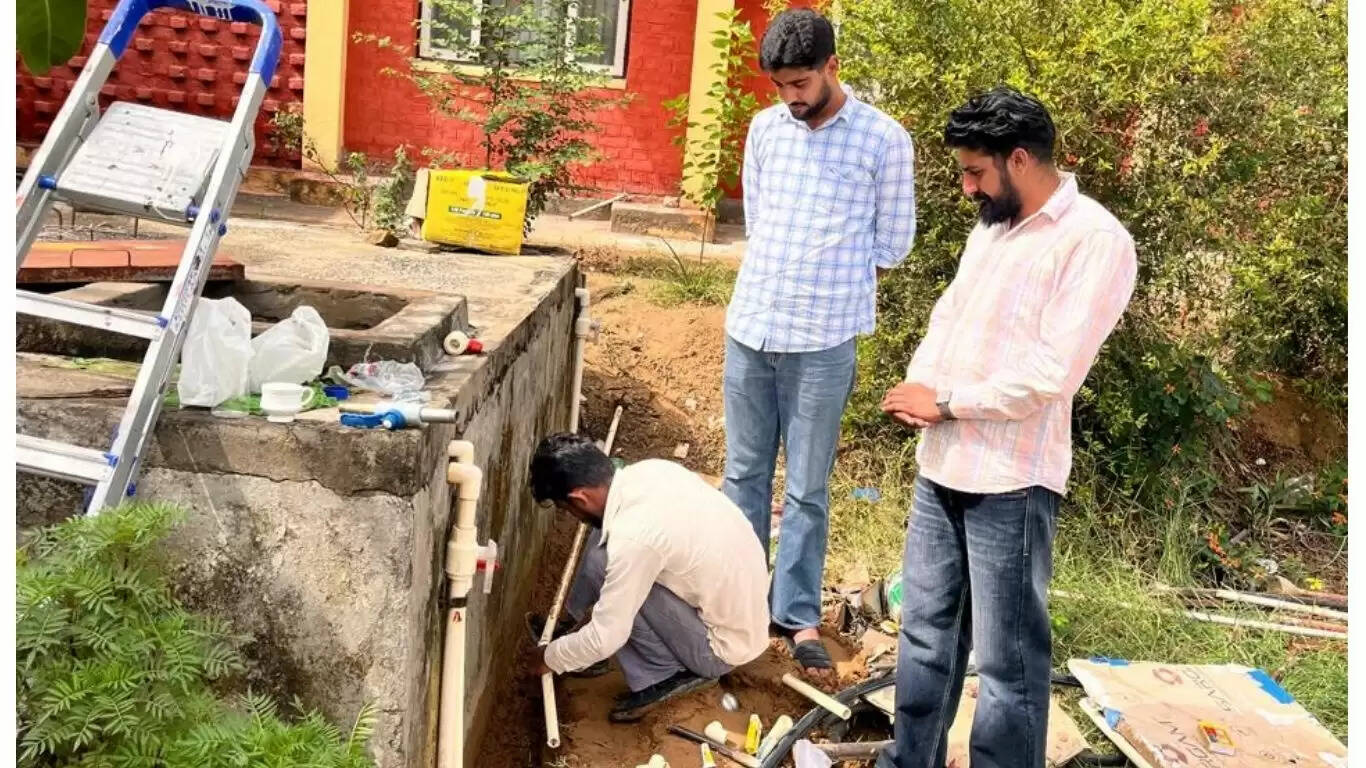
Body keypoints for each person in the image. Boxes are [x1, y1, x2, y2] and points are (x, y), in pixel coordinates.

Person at [876, 87, 1137, 768]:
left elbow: (1051, 374)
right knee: (925, 637)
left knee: (1007, 664)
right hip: (943, 465)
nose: (967, 188)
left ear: (1019, 159)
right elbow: (949, 316)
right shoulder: (991, 228)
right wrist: (918, 390)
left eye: (975, 172)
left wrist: (946, 401)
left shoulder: (1095, 241)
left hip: (1011, 479)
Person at [723, 7, 917, 676]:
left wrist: (825, 284)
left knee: (806, 488)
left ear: (832, 67)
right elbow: (758, 220)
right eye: (780, 86)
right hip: (751, 327)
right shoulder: (765, 130)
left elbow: (893, 244)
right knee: (743, 476)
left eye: (801, 83)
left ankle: (797, 615)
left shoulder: (883, 140)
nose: (790, 97)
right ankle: (739, 604)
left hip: (823, 341)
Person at [528, 434, 770, 722]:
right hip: (744, 614)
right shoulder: (649, 472)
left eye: (567, 509)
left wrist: (549, 658)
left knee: (617, 574)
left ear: (580, 497)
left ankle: (664, 673)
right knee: (604, 544)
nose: (574, 516)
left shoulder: (634, 538)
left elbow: (607, 637)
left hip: (719, 649)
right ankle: (573, 627)